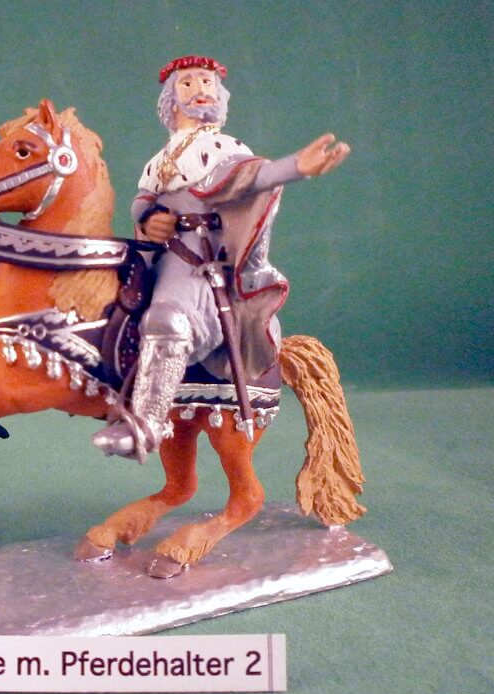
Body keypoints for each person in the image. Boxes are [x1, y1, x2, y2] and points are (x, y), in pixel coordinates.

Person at [92, 55, 350, 460]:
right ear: (171, 99)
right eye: (188, 83)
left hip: (200, 265)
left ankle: (144, 426)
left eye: (206, 82)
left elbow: (254, 177)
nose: (200, 90)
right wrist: (149, 217)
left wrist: (295, 167)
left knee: (167, 321)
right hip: (158, 259)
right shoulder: (162, 158)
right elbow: (144, 198)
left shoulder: (225, 149)